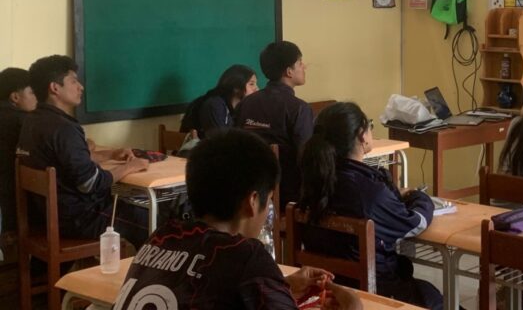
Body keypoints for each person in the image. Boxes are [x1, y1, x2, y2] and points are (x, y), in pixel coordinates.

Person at [114, 129, 361, 310]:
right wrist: (353, 307)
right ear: (252, 201)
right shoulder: (245, 256)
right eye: (269, 199)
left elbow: (207, 290)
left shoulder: (161, 238)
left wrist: (279, 288)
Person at [299, 102, 445, 310]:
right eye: (370, 125)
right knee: (433, 296)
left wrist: (391, 197)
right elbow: (415, 223)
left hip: (331, 288)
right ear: (361, 135)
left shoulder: (315, 180)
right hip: (374, 290)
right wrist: (419, 197)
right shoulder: (368, 191)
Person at [16, 55, 150, 247]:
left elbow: (63, 161)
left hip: (46, 216)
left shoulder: (33, 121)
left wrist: (110, 155)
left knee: (130, 206)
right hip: (78, 219)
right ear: (55, 88)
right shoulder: (63, 128)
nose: (81, 87)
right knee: (146, 217)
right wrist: (130, 166)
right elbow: (90, 183)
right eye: (73, 81)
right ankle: (149, 275)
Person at [236, 41, 313, 210]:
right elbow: (306, 159)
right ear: (289, 71)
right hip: (287, 196)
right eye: (300, 63)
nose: (304, 67)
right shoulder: (299, 108)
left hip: (248, 190)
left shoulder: (246, 104)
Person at [0, 67, 38, 237]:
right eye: (32, 93)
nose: (37, 98)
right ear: (15, 97)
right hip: (14, 210)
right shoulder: (23, 121)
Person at [180, 64, 258, 138]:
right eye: (251, 84)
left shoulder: (239, 107)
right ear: (236, 87)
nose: (257, 89)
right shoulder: (215, 105)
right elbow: (221, 142)